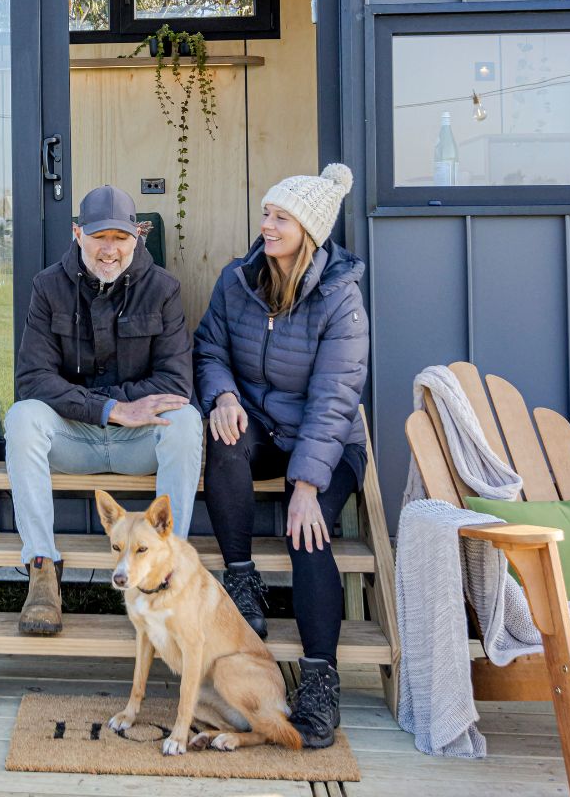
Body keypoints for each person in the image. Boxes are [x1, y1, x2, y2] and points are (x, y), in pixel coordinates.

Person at [193, 164, 369, 749]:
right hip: (262, 428)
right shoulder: (238, 281)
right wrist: (221, 395)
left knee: (307, 533)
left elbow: (335, 399)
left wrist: (307, 487)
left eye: (280, 218)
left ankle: (320, 678)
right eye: (266, 214)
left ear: (310, 231)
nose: (266, 226)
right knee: (222, 440)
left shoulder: (340, 301)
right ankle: (242, 581)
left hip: (329, 444)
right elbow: (209, 346)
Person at [6, 184, 202, 636]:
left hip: (139, 444)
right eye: (99, 237)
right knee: (21, 417)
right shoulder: (48, 287)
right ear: (78, 234)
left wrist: (129, 411)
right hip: (76, 437)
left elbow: (175, 383)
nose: (109, 250)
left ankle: (171, 572)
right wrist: (113, 408)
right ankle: (42, 571)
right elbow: (34, 379)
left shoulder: (164, 290)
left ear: (139, 236)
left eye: (120, 238)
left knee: (186, 421)